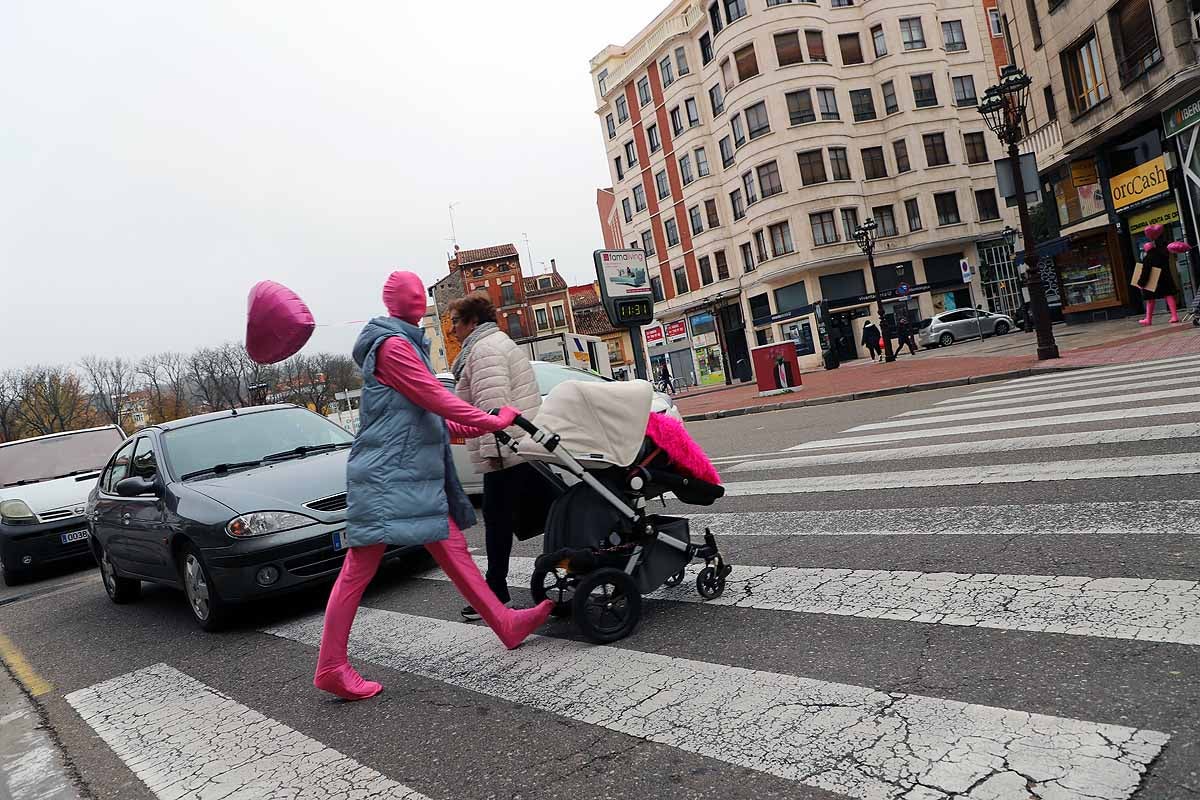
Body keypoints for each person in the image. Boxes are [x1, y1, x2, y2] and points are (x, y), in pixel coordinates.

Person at [314, 272, 553, 701]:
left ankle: (505, 623)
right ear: (396, 301)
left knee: (455, 552)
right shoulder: (392, 347)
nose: (416, 297)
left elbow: (429, 415)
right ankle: (331, 665)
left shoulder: (403, 344)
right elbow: (433, 397)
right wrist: (490, 420)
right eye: (410, 292)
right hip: (388, 476)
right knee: (358, 569)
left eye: (417, 291)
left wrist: (477, 425)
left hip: (409, 476)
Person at [448, 293, 543, 621]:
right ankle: (498, 591)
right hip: (517, 448)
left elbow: (493, 408)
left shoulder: (485, 350)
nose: (453, 331)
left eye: (456, 323)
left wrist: (494, 454)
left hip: (508, 452)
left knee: (499, 523)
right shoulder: (488, 346)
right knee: (538, 514)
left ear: (473, 321)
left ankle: (495, 594)